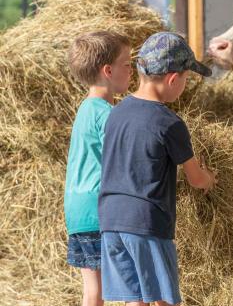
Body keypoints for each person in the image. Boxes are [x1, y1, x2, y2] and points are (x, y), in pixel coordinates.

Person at [98, 32, 217, 306]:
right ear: (173, 79)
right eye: (186, 79)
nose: (184, 85)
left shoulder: (116, 112)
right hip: (146, 222)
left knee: (135, 299)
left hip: (111, 219)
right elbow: (196, 179)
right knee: (163, 298)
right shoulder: (169, 123)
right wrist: (211, 178)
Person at [64, 31, 132, 306]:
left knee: (93, 292)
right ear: (108, 71)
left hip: (78, 212)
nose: (131, 70)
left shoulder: (85, 109)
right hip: (101, 211)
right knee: (131, 286)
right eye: (127, 64)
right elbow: (125, 158)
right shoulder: (109, 114)